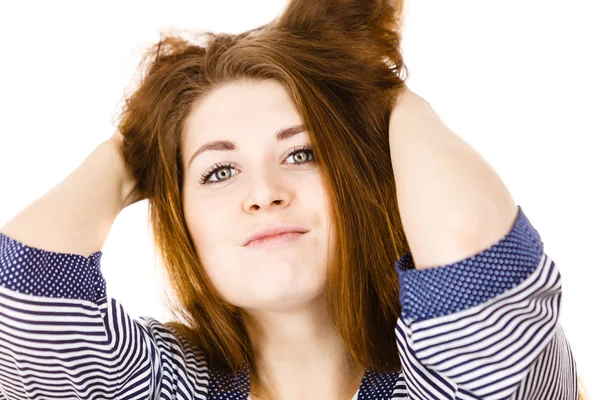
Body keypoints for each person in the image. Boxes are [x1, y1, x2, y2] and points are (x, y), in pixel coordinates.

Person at [0, 0, 583, 399]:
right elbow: (26, 298)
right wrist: (134, 150)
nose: (263, 194)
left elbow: (469, 246)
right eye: (219, 170)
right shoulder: (169, 386)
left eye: (302, 154)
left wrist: (372, 94)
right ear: (180, 217)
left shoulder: (455, 377)